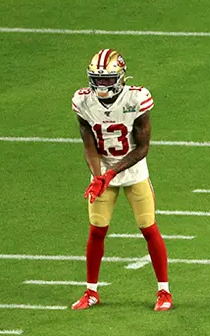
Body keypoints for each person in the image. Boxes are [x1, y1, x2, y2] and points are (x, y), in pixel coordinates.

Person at [70, 48, 172, 311]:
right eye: (97, 79)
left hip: (133, 170)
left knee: (148, 228)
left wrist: (111, 174)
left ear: (120, 77)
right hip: (103, 171)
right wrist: (97, 176)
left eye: (107, 80)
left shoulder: (136, 99)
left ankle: (164, 292)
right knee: (96, 230)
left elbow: (142, 147)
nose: (101, 85)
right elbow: (89, 145)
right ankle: (91, 291)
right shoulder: (83, 102)